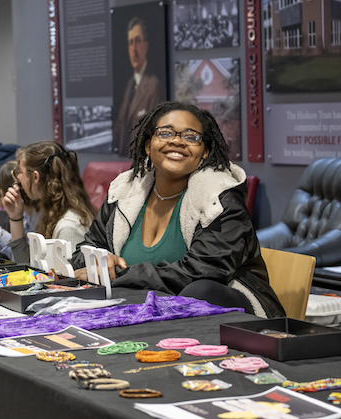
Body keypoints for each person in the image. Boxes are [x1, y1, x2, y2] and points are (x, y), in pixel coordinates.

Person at [73, 101, 284, 318]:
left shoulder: (220, 198)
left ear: (205, 152)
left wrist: (119, 274)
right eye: (165, 133)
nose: (176, 141)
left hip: (229, 317)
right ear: (148, 146)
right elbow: (83, 251)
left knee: (200, 291)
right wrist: (99, 261)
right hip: (139, 311)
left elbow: (201, 273)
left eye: (191, 137)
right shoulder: (125, 191)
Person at [0, 141, 96, 264]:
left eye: (19, 173)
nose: (17, 179)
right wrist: (15, 217)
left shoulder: (68, 227)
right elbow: (27, 266)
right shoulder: (48, 213)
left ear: (35, 177)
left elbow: (68, 282)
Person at [113, 17, 162, 156]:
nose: (134, 49)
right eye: (130, 43)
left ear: (145, 45)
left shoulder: (153, 84)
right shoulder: (130, 84)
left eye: (138, 41)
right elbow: (121, 124)